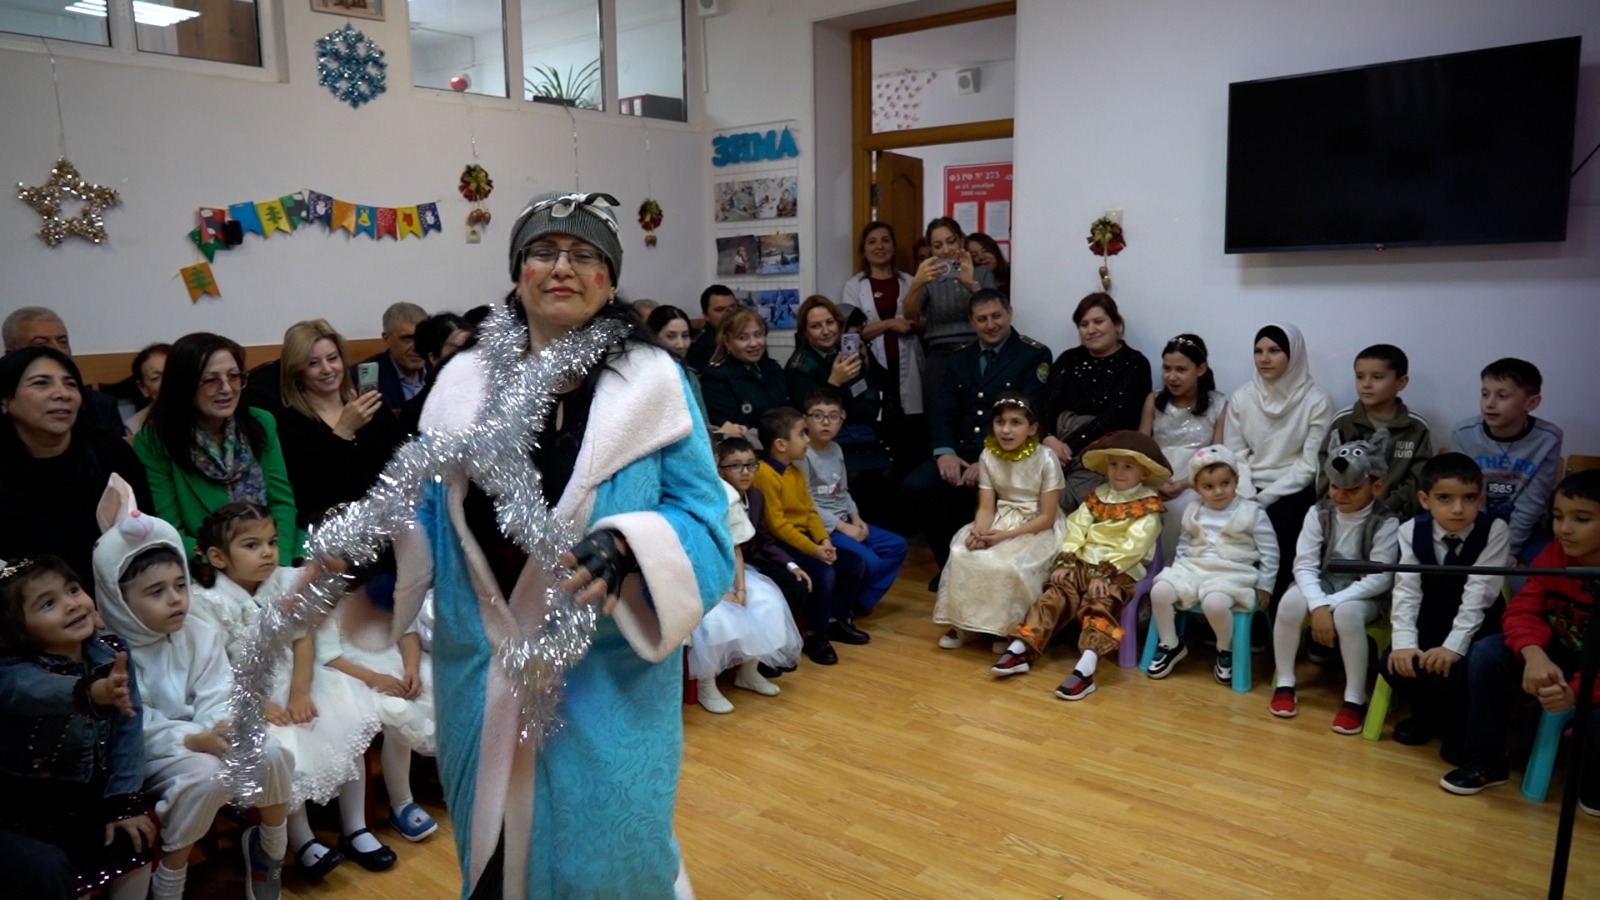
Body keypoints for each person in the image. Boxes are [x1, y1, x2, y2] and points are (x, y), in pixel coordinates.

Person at [377, 191, 731, 896]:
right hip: (483, 667)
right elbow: (426, 508)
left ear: (609, 278)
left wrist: (630, 548)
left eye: (583, 254)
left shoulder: (656, 384)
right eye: (543, 251)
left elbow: (704, 516)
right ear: (518, 272)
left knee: (609, 858)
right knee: (492, 853)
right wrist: (371, 541)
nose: (561, 267)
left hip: (604, 675)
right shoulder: (462, 383)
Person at [88, 479, 291, 900]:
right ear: (118, 599)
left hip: (204, 738)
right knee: (205, 777)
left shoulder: (198, 632)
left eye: (180, 585)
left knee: (270, 752)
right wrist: (194, 740)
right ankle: (171, 874)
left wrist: (223, 728)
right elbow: (133, 728)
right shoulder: (110, 653)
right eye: (156, 592)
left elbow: (219, 689)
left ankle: (270, 849)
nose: (176, 599)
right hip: (153, 756)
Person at [184, 502, 389, 880]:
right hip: (244, 692)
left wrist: (299, 692)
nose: (267, 552)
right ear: (217, 557)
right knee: (283, 746)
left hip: (296, 677)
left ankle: (354, 827)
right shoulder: (204, 602)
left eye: (272, 542)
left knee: (344, 724)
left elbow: (302, 639)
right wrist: (256, 704)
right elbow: (215, 668)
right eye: (252, 545)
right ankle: (302, 840)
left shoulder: (287, 581)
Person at [0, 556, 156, 900]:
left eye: (73, 589)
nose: (72, 604)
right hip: (30, 803)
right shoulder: (10, 671)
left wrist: (123, 799)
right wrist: (93, 692)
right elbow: (34, 690)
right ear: (15, 632)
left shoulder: (111, 651)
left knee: (134, 838)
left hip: (93, 791)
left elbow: (128, 729)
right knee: (65, 873)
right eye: (48, 603)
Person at [1441, 470, 1600, 800]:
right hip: (1554, 652)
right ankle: (1487, 761)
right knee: (1487, 652)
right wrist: (1533, 653)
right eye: (1557, 516)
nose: (1564, 528)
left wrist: (1576, 692)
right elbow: (1522, 610)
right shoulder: (1554, 555)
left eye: (1581, 519)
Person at [991, 431, 1170, 701]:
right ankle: (1022, 647)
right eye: (1113, 464)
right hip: (1083, 562)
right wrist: (1068, 558)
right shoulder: (1097, 496)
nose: (1118, 472)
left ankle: (1086, 667)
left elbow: (1135, 546)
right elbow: (1076, 527)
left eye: (1128, 467)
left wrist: (1105, 573)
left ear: (1144, 473)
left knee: (1100, 604)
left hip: (1118, 571)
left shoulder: (1147, 506)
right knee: (1055, 594)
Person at [901, 289, 1051, 584]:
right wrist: (944, 452)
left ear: (1009, 313)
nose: (990, 324)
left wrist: (988, 460)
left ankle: (978, 568)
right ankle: (950, 565)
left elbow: (1030, 416)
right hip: (960, 450)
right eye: (982, 319)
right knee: (916, 485)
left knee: (977, 494)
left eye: (996, 316)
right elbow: (944, 409)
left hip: (1005, 454)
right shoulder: (960, 357)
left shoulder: (1033, 354)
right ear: (971, 321)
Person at [1269, 434, 1400, 733]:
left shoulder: (1386, 522)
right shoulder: (1318, 513)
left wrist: (1328, 606)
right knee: (1288, 604)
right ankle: (1285, 682)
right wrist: (1318, 605)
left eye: (1351, 489)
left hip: (1364, 592)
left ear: (1376, 485)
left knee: (1347, 614)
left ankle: (1354, 698)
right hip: (1323, 583)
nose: (1340, 495)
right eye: (1334, 486)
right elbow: (1304, 564)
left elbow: (1380, 577)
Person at [133, 333, 299, 563]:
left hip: (275, 552)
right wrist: (231, 566)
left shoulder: (262, 422)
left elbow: (282, 503)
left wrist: (277, 561)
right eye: (211, 380)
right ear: (183, 385)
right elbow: (169, 531)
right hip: (209, 564)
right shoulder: (155, 441)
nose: (227, 389)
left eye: (234, 376)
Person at [1381, 453, 1509, 754]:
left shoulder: (1495, 530)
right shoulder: (1410, 531)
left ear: (1481, 498)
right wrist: (1403, 643)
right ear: (1425, 500)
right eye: (1444, 498)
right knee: (1394, 663)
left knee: (1463, 669)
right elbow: (1407, 591)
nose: (1458, 508)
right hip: (1431, 617)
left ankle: (1459, 727)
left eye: (1469, 498)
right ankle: (1425, 716)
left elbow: (1479, 595)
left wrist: (1454, 646)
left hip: (1478, 624)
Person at [0, 347, 154, 594]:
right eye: (41, 383)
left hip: (122, 591)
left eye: (70, 384)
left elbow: (145, 531)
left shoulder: (111, 452)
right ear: (5, 400)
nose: (62, 394)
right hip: (31, 602)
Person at [933, 393, 1066, 650]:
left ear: (1032, 428)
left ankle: (1005, 628)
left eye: (1016, 423)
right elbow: (986, 506)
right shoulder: (988, 456)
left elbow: (1047, 517)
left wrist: (1005, 536)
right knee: (961, 552)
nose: (1005, 430)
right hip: (1001, 518)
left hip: (1035, 525)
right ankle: (966, 624)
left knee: (1010, 564)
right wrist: (979, 532)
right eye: (1000, 422)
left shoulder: (1046, 458)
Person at [1146, 444, 1278, 684]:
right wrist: (1177, 571)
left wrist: (1265, 586)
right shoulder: (1193, 509)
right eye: (1209, 486)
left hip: (1233, 571)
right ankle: (1170, 643)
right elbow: (1184, 543)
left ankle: (1225, 648)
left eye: (1225, 483)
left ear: (1236, 480)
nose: (1218, 491)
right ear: (1197, 488)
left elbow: (1270, 551)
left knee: (1214, 603)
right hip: (1193, 567)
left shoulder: (1252, 511)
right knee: (1160, 590)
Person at [690, 441, 804, 714]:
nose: (745, 472)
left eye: (750, 465)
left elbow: (737, 549)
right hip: (698, 577)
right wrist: (720, 592)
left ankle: (749, 671)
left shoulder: (733, 497)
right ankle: (707, 684)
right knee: (716, 618)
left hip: (730, 571)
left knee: (766, 600)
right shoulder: (692, 500)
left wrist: (740, 589)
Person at [1224, 323, 1334, 600]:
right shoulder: (1242, 397)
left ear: (1293, 355)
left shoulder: (1317, 401)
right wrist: (1247, 492)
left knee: (1279, 528)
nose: (1264, 358)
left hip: (1292, 488)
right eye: (1258, 351)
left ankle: (1272, 612)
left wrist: (1264, 498)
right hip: (1246, 485)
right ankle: (1227, 607)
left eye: (1274, 351)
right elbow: (1235, 454)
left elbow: (1309, 465)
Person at [754, 406, 870, 667]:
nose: (808, 439)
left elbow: (809, 511)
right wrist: (813, 549)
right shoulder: (764, 474)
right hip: (781, 544)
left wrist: (823, 540)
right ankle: (815, 635)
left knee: (853, 564)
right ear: (781, 444)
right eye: (802, 434)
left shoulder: (795, 471)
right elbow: (777, 525)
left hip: (805, 539)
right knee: (823, 573)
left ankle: (835, 620)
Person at [273, 319, 404, 535]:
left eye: (333, 358)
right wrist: (343, 433)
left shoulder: (372, 408)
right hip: (330, 534)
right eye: (313, 363)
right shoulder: (286, 423)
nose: (327, 369)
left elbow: (401, 464)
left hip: (387, 526)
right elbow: (313, 496)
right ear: (297, 371)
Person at [796, 388, 907, 615]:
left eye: (833, 416)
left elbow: (843, 490)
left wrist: (856, 518)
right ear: (805, 419)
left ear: (842, 419)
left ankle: (859, 601)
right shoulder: (802, 454)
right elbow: (806, 503)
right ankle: (847, 603)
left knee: (897, 545)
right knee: (872, 563)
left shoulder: (836, 448)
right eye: (817, 415)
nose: (825, 422)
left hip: (846, 518)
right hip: (824, 527)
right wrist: (842, 527)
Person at [1040, 293, 1153, 509]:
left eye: (1098, 321)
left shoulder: (1135, 363)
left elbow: (1117, 416)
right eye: (1084, 324)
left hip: (1100, 453)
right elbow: (1047, 404)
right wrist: (1048, 438)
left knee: (1064, 504)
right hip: (1053, 446)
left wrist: (1069, 447)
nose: (1091, 330)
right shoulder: (1068, 359)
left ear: (1116, 323)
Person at [839, 221, 926, 504]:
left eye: (885, 240)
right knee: (882, 432)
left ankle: (908, 509)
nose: (880, 246)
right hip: (873, 368)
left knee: (911, 436)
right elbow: (850, 331)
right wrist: (890, 323)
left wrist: (912, 324)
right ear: (863, 250)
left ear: (894, 246)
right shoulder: (855, 286)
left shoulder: (910, 281)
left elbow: (923, 320)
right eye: (872, 241)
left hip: (909, 365)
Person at [1448, 357, 1563, 563]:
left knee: (1546, 562)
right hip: (1473, 524)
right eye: (1485, 394)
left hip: (1527, 530)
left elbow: (1533, 500)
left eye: (1502, 396)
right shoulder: (1464, 433)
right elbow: (1466, 492)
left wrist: (1510, 548)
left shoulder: (1547, 438)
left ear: (1531, 403)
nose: (1489, 403)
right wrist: (1482, 541)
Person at [715, 437, 814, 664]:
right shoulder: (718, 500)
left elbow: (763, 539)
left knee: (796, 584)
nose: (745, 472)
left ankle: (773, 653)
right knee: (761, 598)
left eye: (751, 465)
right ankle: (753, 659)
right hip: (727, 563)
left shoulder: (756, 496)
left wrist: (791, 565)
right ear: (720, 469)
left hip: (753, 558)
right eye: (735, 466)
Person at [1317, 344, 1432, 519]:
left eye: (1377, 377)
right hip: (1344, 515)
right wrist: (1332, 510)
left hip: (1396, 518)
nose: (1366, 384)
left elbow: (1418, 479)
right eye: (1360, 377)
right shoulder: (1343, 421)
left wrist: (1387, 509)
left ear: (1401, 382)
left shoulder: (1416, 427)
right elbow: (1326, 470)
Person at [1139, 333, 1225, 564]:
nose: (1172, 377)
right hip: (1156, 474)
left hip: (1196, 478)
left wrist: (1186, 483)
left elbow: (1218, 455)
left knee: (1185, 508)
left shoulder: (1218, 405)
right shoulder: (1154, 400)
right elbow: (1141, 448)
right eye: (1167, 368)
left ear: (1200, 369)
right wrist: (1154, 479)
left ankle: (1177, 572)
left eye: (1181, 370)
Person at [903, 217, 997, 412]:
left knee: (976, 414)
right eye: (938, 246)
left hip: (976, 350)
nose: (946, 250)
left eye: (951, 241)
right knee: (939, 415)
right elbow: (910, 313)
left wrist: (970, 283)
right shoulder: (929, 277)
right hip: (940, 355)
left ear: (961, 240)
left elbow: (993, 312)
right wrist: (917, 283)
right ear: (931, 250)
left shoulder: (981, 272)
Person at [1, 306, 123, 435]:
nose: (58, 349)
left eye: (63, 342)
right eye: (40, 344)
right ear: (11, 354)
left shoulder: (101, 405)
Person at [785, 295, 880, 429]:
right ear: (805, 332)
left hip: (864, 429)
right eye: (816, 326)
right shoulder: (799, 368)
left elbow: (872, 400)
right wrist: (834, 382)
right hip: (828, 436)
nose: (826, 331)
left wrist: (846, 411)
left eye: (830, 322)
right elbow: (815, 417)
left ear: (839, 324)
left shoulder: (846, 350)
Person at [700, 306, 790, 440]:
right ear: (727, 341)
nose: (754, 343)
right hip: (748, 448)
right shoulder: (716, 378)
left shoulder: (773, 368)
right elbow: (733, 428)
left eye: (758, 335)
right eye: (743, 338)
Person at [361, 302, 431, 414]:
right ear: (386, 339)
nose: (417, 347)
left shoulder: (442, 371)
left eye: (422, 337)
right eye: (407, 338)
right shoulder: (365, 378)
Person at [686, 284, 739, 371]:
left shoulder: (751, 336)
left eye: (733, 307)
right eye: (720, 309)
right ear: (706, 315)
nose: (729, 313)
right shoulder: (698, 348)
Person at [122, 343, 169, 435]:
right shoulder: (134, 428)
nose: (168, 382)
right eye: (156, 378)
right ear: (143, 388)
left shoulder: (199, 411)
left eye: (172, 371)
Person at [964, 232, 1009, 297]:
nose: (981, 257)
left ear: (995, 250)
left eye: (986, 251)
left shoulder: (1013, 276)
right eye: (974, 255)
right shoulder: (969, 284)